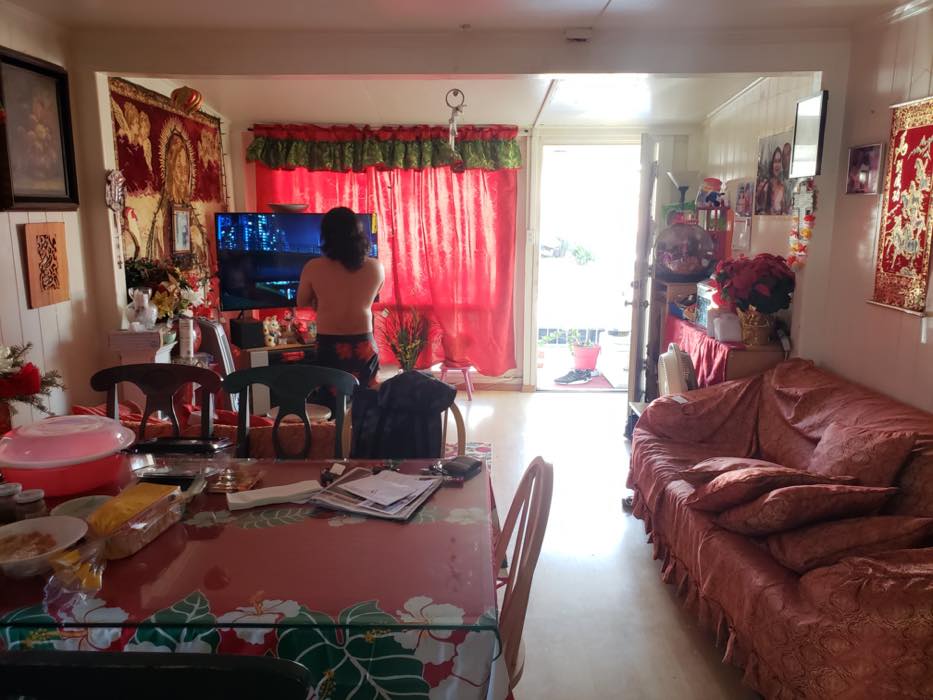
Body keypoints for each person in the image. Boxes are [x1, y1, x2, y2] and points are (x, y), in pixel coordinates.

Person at [297, 207, 384, 388]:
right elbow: (374, 294)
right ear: (358, 233)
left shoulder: (313, 267)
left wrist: (321, 298)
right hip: (364, 343)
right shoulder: (376, 267)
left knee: (329, 400)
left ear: (327, 235)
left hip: (328, 343)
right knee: (363, 398)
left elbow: (302, 301)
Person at [756, 146, 788, 215]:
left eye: (779, 161)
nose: (777, 165)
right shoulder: (764, 184)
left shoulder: (782, 187)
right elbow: (758, 207)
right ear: (771, 164)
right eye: (775, 161)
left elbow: (784, 211)